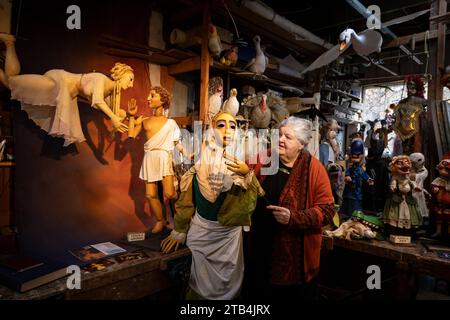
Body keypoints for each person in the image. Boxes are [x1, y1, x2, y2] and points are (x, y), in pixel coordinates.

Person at [160, 112, 264, 300]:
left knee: (228, 286)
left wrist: (247, 174)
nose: (227, 130)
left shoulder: (240, 171)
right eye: (221, 125)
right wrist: (180, 230)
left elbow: (250, 205)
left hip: (228, 241)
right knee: (196, 286)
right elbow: (186, 203)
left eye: (232, 126)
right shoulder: (197, 170)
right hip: (200, 237)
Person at [246, 116, 335, 300]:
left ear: (301, 144)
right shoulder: (265, 158)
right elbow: (244, 172)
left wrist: (293, 218)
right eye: (279, 134)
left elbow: (327, 211)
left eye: (288, 137)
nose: (280, 139)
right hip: (260, 249)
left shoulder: (314, 169)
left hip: (295, 260)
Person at [0, 33, 132, 146]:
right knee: (10, 82)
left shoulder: (108, 93)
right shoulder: (100, 78)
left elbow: (111, 111)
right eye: (130, 79)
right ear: (122, 74)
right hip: (59, 82)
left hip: (66, 96)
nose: (131, 85)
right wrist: (114, 117)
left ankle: (9, 43)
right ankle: (9, 42)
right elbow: (98, 101)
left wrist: (124, 115)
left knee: (10, 82)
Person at [133, 86, 187, 234]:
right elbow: (132, 134)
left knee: (169, 194)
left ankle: (182, 214)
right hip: (149, 157)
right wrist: (132, 117)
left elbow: (177, 143)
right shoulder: (144, 121)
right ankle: (160, 220)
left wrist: (187, 153)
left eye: (152, 96)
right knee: (150, 194)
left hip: (164, 157)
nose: (148, 99)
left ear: (162, 100)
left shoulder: (171, 123)